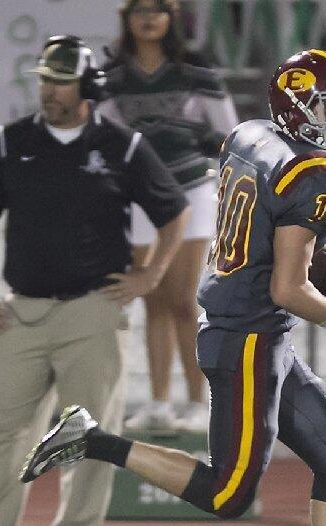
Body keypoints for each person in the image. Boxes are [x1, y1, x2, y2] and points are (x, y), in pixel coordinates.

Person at [19, 49, 326, 526]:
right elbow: (290, 288)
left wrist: (318, 258)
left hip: (256, 330)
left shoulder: (252, 136)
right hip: (248, 339)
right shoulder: (318, 174)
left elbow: (258, 223)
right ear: (299, 109)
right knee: (229, 494)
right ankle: (92, 439)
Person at [0, 36, 189, 526]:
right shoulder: (8, 143)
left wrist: (151, 276)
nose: (48, 90)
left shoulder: (123, 146)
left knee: (89, 436)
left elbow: (173, 212)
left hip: (93, 309)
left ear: (87, 87)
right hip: (22, 312)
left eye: (60, 80)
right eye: (44, 78)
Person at [100, 0, 239, 433]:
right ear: (127, 17)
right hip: (139, 195)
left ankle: (198, 403)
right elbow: (102, 135)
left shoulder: (196, 72)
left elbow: (229, 134)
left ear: (172, 18)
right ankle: (159, 401)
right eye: (140, 9)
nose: (149, 18)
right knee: (152, 299)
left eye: (158, 9)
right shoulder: (114, 77)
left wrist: (185, 135)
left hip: (191, 193)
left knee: (182, 298)